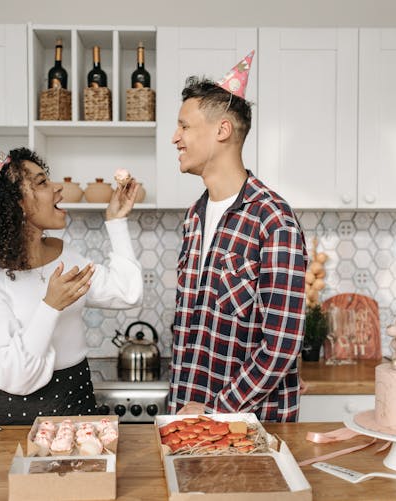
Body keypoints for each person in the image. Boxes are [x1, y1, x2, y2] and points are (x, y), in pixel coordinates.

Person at [0, 124, 143, 425]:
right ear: (16, 203)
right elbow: (13, 375)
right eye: (41, 183)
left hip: (78, 399)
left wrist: (116, 222)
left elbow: (127, 293)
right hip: (21, 412)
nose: (56, 188)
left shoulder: (64, 258)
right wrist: (49, 306)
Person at [169, 51, 309, 422]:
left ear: (222, 130)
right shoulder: (193, 218)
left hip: (248, 429)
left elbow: (282, 345)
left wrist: (215, 412)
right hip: (190, 418)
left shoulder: (273, 220)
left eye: (184, 126)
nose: (175, 138)